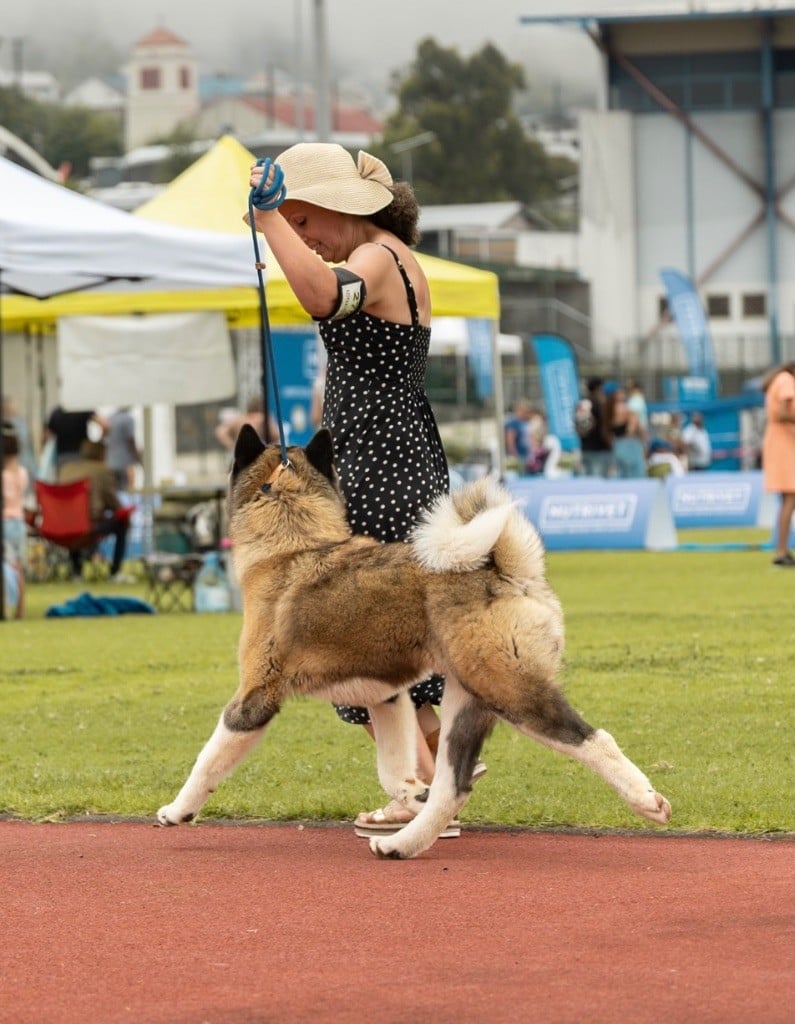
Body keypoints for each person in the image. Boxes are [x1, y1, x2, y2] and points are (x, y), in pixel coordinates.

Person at [246, 142, 484, 835]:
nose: (305, 240)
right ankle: (436, 783)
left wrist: (267, 225)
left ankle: (422, 791)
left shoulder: (377, 257)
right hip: (389, 451)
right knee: (389, 630)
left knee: (365, 631)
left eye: (305, 223)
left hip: (381, 461)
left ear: (334, 209)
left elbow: (323, 297)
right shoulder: (390, 256)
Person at [59, 439, 131, 581]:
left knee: (74, 523)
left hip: (63, 526)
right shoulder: (102, 470)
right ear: (102, 454)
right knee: (122, 523)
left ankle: (76, 571)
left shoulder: (66, 469)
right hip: (89, 526)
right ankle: (115, 572)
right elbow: (115, 504)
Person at [760, 362, 795, 567]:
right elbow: (783, 413)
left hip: (782, 443)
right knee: (790, 498)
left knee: (788, 500)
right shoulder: (786, 381)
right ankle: (781, 552)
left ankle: (782, 549)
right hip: (783, 445)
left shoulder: (780, 380)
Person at [45, 405, 108, 473]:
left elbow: (46, 436)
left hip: (62, 457)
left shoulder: (56, 412)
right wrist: (98, 442)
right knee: (81, 481)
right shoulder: (81, 408)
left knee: (66, 482)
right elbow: (105, 425)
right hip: (81, 456)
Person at [2, 421, 29, 576]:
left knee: (7, 566)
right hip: (19, 521)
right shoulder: (22, 473)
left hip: (5, 521)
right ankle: (20, 600)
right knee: (17, 566)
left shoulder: (4, 477)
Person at [576, 376, 614, 477]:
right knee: (599, 483)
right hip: (599, 448)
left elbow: (579, 426)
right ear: (598, 388)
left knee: (590, 482)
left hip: (586, 448)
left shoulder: (582, 404)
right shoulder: (597, 403)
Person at [609, 383, 647, 478]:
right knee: (635, 475)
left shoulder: (610, 410)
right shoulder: (630, 408)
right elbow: (634, 427)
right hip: (629, 444)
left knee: (621, 474)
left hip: (618, 443)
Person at [215, 395, 279, 452]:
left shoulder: (240, 419)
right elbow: (276, 435)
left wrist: (233, 446)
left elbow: (220, 432)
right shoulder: (262, 418)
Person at [105, 406, 142, 492]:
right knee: (129, 489)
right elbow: (130, 440)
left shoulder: (110, 418)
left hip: (111, 461)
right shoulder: (128, 419)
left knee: (115, 489)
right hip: (125, 460)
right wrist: (136, 456)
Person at [504, 399, 534, 471]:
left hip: (526, 455)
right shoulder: (513, 423)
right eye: (525, 411)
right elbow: (510, 440)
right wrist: (514, 454)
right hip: (518, 456)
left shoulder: (525, 422)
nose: (527, 413)